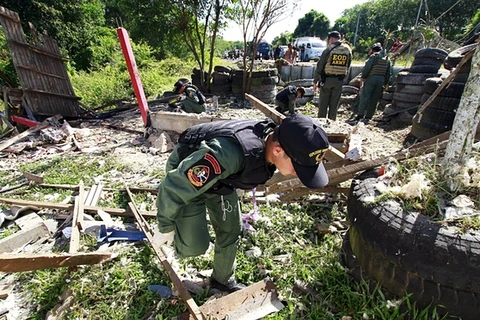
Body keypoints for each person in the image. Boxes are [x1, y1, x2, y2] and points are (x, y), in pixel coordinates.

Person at [156, 114, 330, 293]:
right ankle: (176, 231)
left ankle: (221, 281)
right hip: (186, 176)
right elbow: (174, 186)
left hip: (221, 181)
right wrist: (164, 225)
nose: (297, 174)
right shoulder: (229, 153)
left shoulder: (269, 144)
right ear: (278, 150)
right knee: (193, 247)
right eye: (298, 167)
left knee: (231, 229)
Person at [313, 31, 352, 121]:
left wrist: (315, 81)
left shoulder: (329, 49)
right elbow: (348, 66)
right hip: (339, 81)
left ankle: (321, 124)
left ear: (331, 39)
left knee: (323, 105)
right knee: (334, 105)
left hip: (327, 80)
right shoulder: (347, 49)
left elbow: (320, 66)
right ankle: (332, 123)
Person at [349, 44, 391, 125]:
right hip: (381, 80)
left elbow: (367, 68)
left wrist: (363, 77)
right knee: (374, 99)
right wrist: (385, 82)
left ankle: (360, 115)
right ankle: (369, 116)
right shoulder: (387, 59)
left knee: (364, 96)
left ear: (373, 50)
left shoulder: (374, 57)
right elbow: (388, 72)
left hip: (371, 78)